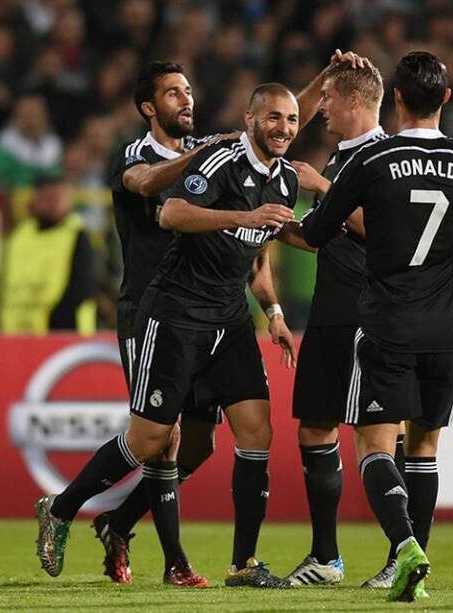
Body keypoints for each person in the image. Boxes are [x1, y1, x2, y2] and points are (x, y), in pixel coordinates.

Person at [93, 53, 368, 587]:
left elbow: (280, 124)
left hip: (217, 313)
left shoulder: (220, 156)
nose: (186, 99)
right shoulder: (145, 155)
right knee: (161, 437)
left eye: (188, 90)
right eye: (173, 92)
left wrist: (326, 79)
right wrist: (203, 161)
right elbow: (152, 190)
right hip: (154, 309)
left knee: (200, 444)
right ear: (149, 107)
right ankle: (166, 558)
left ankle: (118, 521)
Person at [36, 81, 317, 589]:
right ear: (251, 120)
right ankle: (62, 507)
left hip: (230, 320)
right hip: (176, 314)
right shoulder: (218, 161)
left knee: (256, 432)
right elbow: (170, 213)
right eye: (273, 118)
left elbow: (258, 251)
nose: (284, 128)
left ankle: (244, 564)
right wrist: (243, 216)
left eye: (293, 120)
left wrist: (273, 310)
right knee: (150, 440)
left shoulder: (286, 182)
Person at [301, 52, 453, 601]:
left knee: (373, 447)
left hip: (388, 322)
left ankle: (405, 546)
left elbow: (318, 232)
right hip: (449, 327)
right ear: (446, 101)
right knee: (425, 445)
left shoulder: (373, 159)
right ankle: (408, 564)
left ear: (396, 101)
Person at [285, 59, 406, 589]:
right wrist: (250, 223)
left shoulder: (388, 157)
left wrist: (324, 189)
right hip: (329, 306)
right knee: (315, 424)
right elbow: (320, 233)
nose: (324, 110)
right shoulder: (342, 155)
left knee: (379, 437)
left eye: (330, 99)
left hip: (368, 311)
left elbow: (389, 233)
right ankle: (327, 558)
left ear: (355, 101)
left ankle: (400, 554)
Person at [0, 172, 97, 334]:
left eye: (61, 197)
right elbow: (0, 280)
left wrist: (56, 321)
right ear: (36, 198)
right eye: (50, 197)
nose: (56, 203)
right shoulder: (19, 235)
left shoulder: (77, 234)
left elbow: (83, 286)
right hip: (15, 332)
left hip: (64, 334)